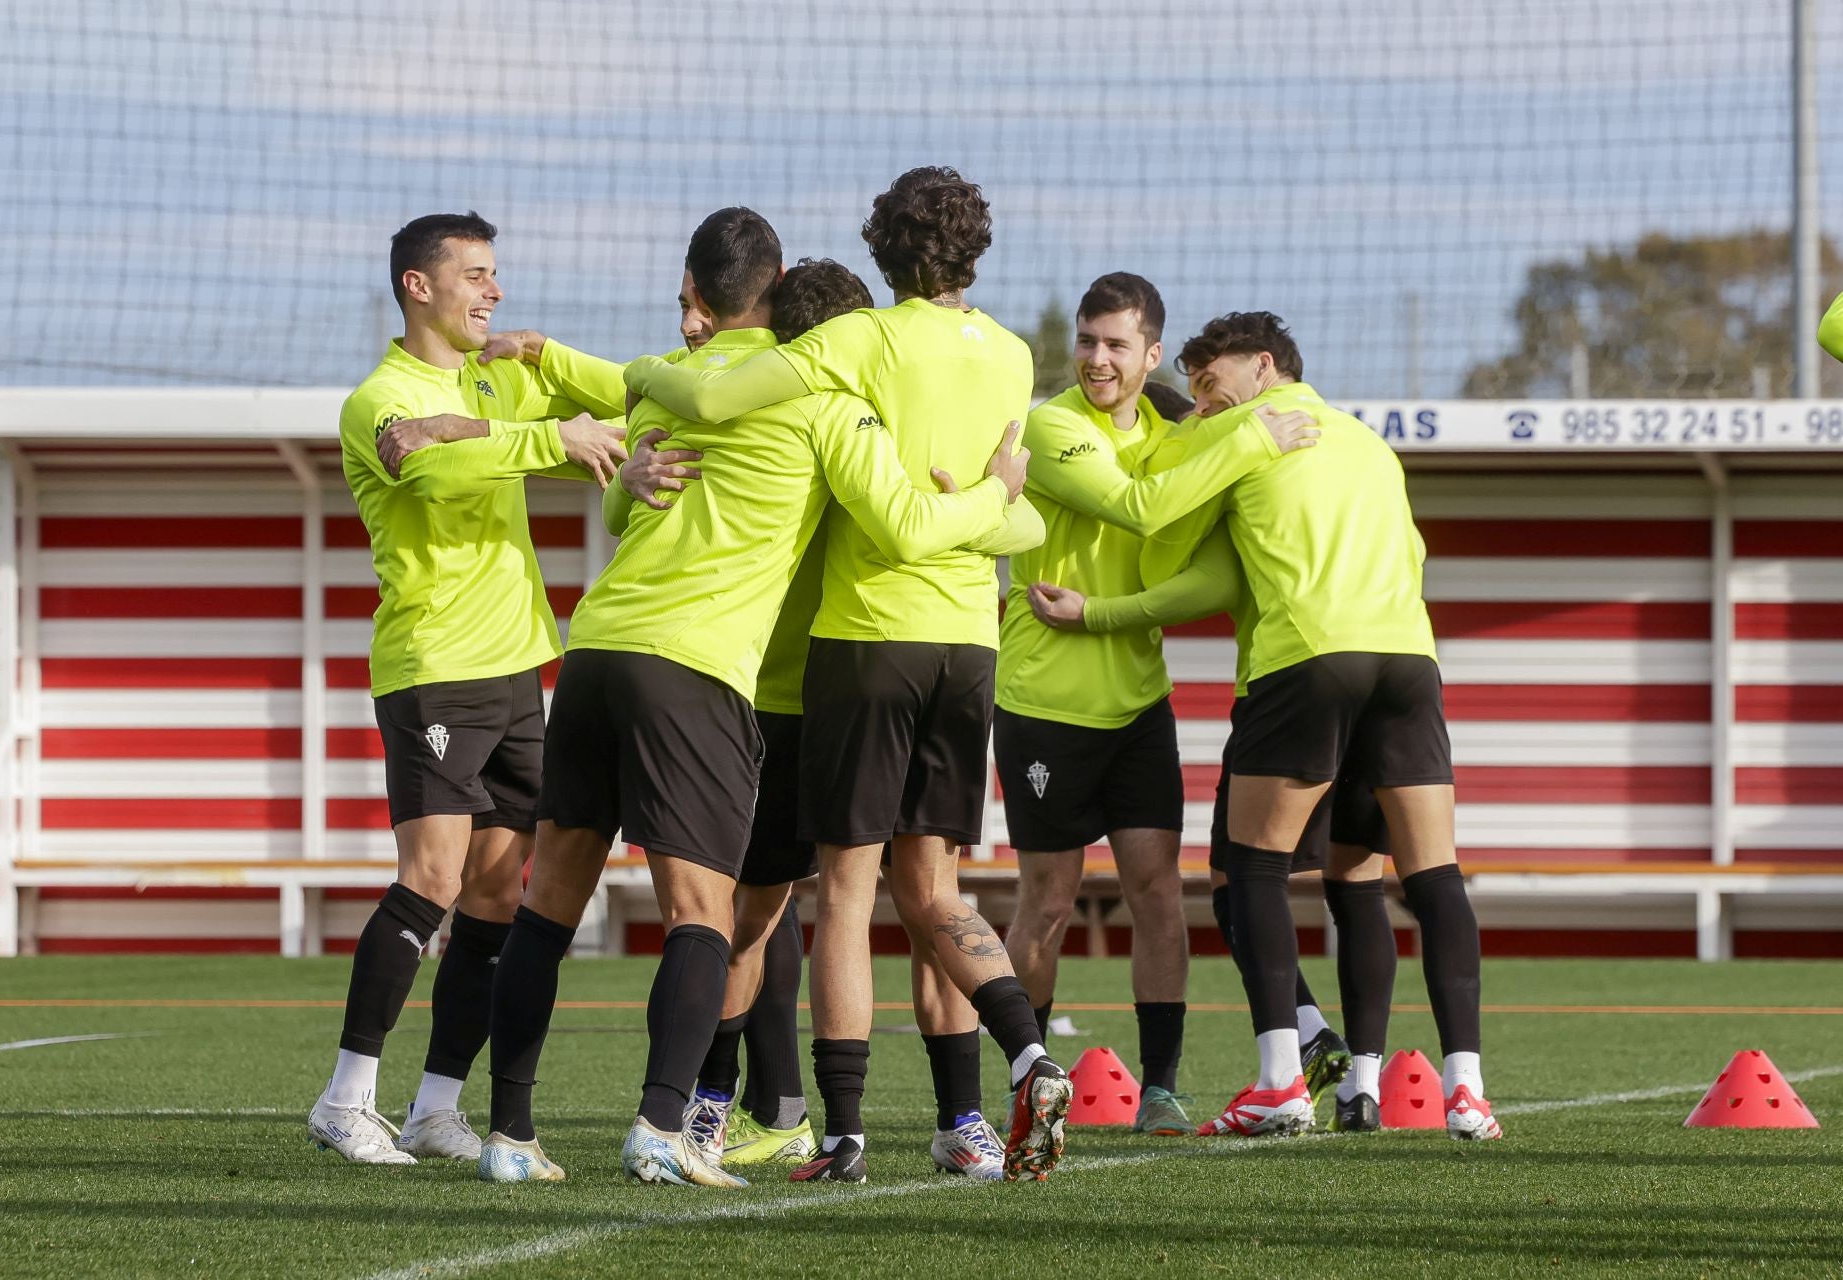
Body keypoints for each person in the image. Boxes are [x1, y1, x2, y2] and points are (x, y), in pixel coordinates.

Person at [477, 207, 1040, 1187]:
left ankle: (510, 1132)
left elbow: (618, 493)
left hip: (596, 647)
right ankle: (671, 1122)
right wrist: (996, 493)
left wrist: (590, 394)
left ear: (700, 297)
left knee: (549, 903)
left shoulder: (664, 386)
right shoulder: (824, 403)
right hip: (699, 671)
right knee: (711, 914)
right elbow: (905, 520)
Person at [624, 168, 1086, 1182]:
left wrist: (636, 376)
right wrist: (982, 506)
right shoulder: (1012, 355)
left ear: (881, 251)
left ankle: (838, 1130)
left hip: (867, 637)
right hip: (971, 640)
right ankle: (1028, 1055)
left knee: (842, 893)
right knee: (937, 887)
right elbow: (1024, 510)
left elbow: (711, 388)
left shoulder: (860, 339)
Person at [309, 211, 627, 1164]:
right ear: (419, 285)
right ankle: (344, 1097)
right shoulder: (380, 397)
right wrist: (545, 440)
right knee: (434, 879)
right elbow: (434, 465)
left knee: (495, 895)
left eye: (497, 276)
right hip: (434, 668)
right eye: (476, 276)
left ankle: (434, 1107)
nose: (493, 292)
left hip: (517, 667)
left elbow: (623, 398)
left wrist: (548, 356)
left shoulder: (495, 375)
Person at [1141, 311, 1500, 1141]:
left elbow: (1157, 525)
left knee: (1252, 869)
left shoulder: (1242, 435)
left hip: (1307, 654)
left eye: (1211, 377)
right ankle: (1462, 1093)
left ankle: (1279, 1083)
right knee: (1421, 877)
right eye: (1192, 384)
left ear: (1265, 366)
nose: (1203, 397)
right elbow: (1412, 557)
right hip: (1408, 658)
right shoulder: (1370, 444)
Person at [995, 272, 1319, 1137]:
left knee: (1158, 895)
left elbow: (1209, 572)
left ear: (1150, 354)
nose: (1097, 359)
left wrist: (1212, 428)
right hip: (1044, 703)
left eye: (1116, 345)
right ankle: (1030, 1081)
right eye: (1087, 340)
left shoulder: (1178, 434)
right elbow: (1141, 510)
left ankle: (1163, 1087)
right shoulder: (1054, 425)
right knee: (1050, 900)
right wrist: (1250, 437)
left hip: (1139, 704)